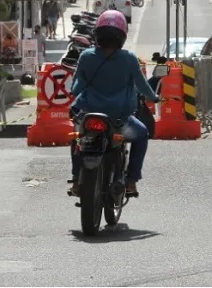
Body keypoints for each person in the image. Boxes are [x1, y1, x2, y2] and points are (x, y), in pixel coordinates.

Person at [68, 10, 160, 197]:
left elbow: (76, 89)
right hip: (119, 120)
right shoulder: (129, 59)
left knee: (78, 139)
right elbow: (142, 86)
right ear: (122, 37)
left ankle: (77, 180)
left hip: (88, 116)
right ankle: (132, 181)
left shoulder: (86, 57)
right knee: (142, 134)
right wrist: (154, 97)